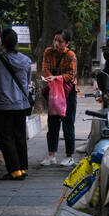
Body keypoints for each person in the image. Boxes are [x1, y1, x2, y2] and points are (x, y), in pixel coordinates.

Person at [0, 28, 32, 181]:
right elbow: (27, 79)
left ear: (2, 42)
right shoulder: (26, 60)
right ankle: (22, 168)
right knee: (19, 136)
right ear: (16, 42)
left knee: (6, 137)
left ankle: (14, 170)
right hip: (21, 104)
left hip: (2, 105)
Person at [41, 29, 78, 167]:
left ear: (67, 43)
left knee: (68, 123)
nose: (56, 43)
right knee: (52, 123)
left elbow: (71, 75)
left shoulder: (71, 55)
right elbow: (45, 69)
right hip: (54, 90)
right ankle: (51, 155)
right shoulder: (48, 52)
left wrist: (57, 78)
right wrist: (51, 78)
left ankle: (69, 156)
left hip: (68, 92)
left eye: (60, 41)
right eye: (55, 40)